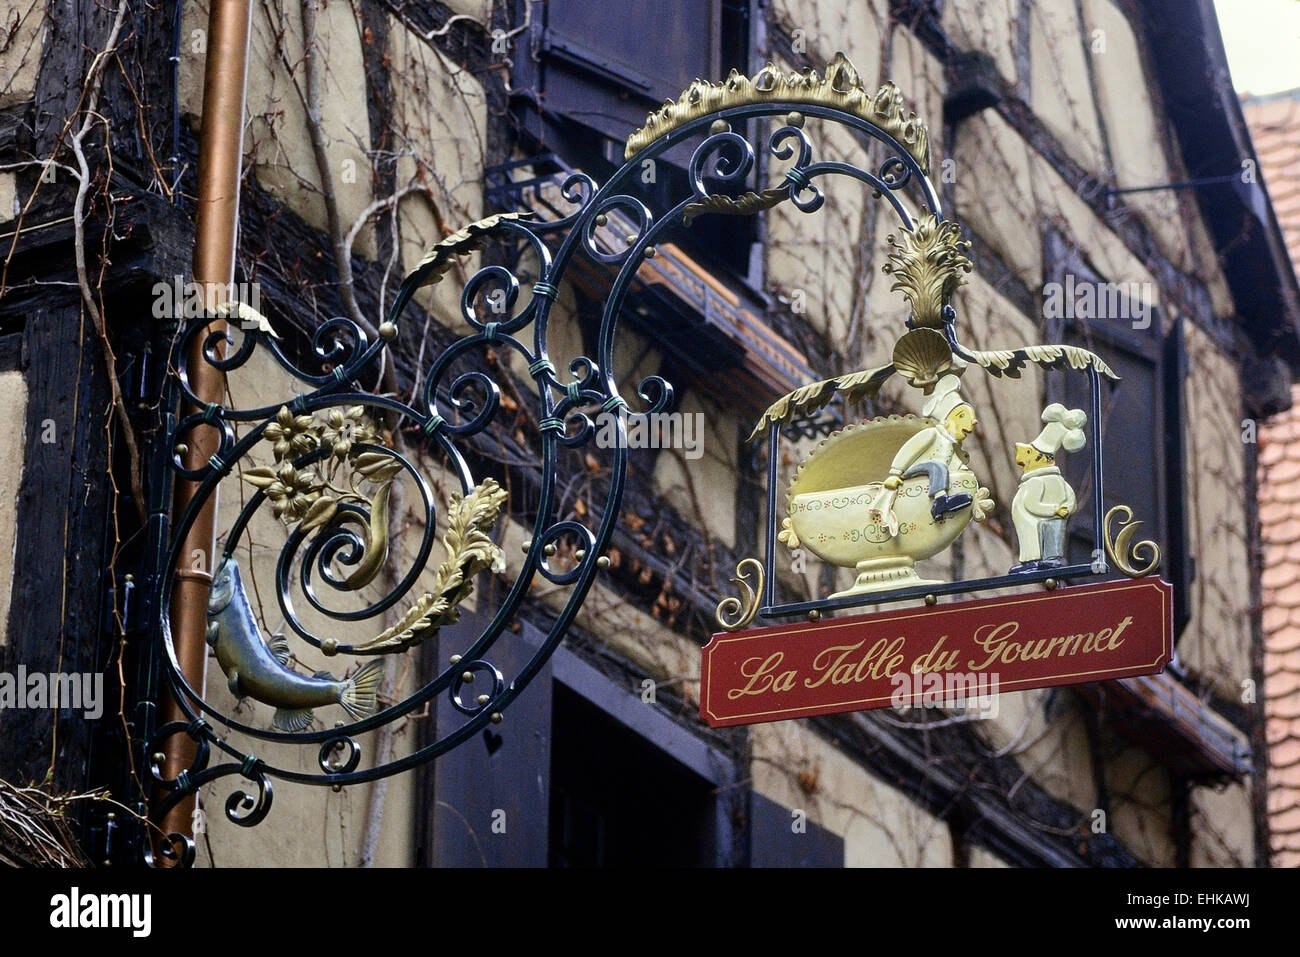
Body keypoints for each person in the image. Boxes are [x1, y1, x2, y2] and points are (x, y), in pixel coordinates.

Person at [871, 374, 977, 532]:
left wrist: (963, 472)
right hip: (914, 470)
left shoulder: (949, 444)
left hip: (932, 472)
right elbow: (908, 451)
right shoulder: (932, 435)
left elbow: (953, 462)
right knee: (937, 466)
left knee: (939, 467)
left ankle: (943, 503)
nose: (972, 423)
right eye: (963, 417)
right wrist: (895, 473)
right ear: (948, 419)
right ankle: (940, 502)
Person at [1009, 404, 1087, 573]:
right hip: (1053, 517)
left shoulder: (1035, 482)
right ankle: (1050, 560)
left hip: (1039, 520)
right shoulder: (1056, 481)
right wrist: (1062, 508)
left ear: (1036, 458)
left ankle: (1034, 562)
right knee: (1051, 537)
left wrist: (1056, 509)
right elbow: (1071, 498)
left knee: (1035, 540)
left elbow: (1031, 504)